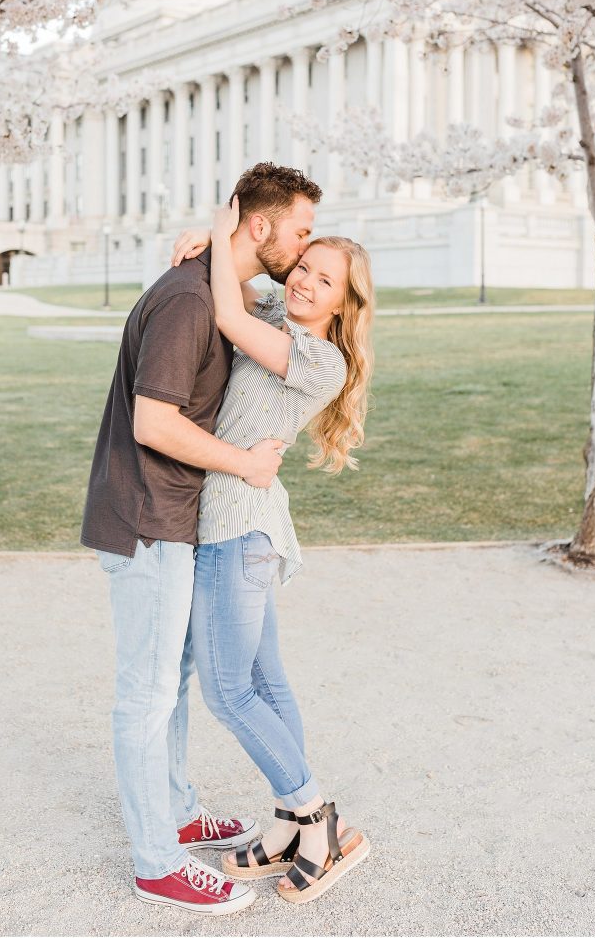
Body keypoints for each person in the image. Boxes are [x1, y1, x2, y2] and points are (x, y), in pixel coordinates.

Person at [81, 163, 323, 915]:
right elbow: (154, 423)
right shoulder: (188, 301)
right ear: (261, 227)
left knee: (175, 678)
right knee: (147, 693)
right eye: (301, 231)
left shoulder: (221, 289)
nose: (306, 246)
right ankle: (157, 859)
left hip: (176, 518)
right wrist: (246, 463)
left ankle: (179, 808)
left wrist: (211, 234)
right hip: (148, 516)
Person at [171, 196, 375, 904]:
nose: (305, 281)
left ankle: (319, 815)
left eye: (325, 280)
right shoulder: (274, 321)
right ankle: (292, 822)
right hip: (242, 525)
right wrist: (212, 240)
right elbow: (233, 286)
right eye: (305, 266)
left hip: (239, 529)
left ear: (344, 304)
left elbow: (225, 314)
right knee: (267, 678)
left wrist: (224, 220)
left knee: (229, 690)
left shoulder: (318, 359)